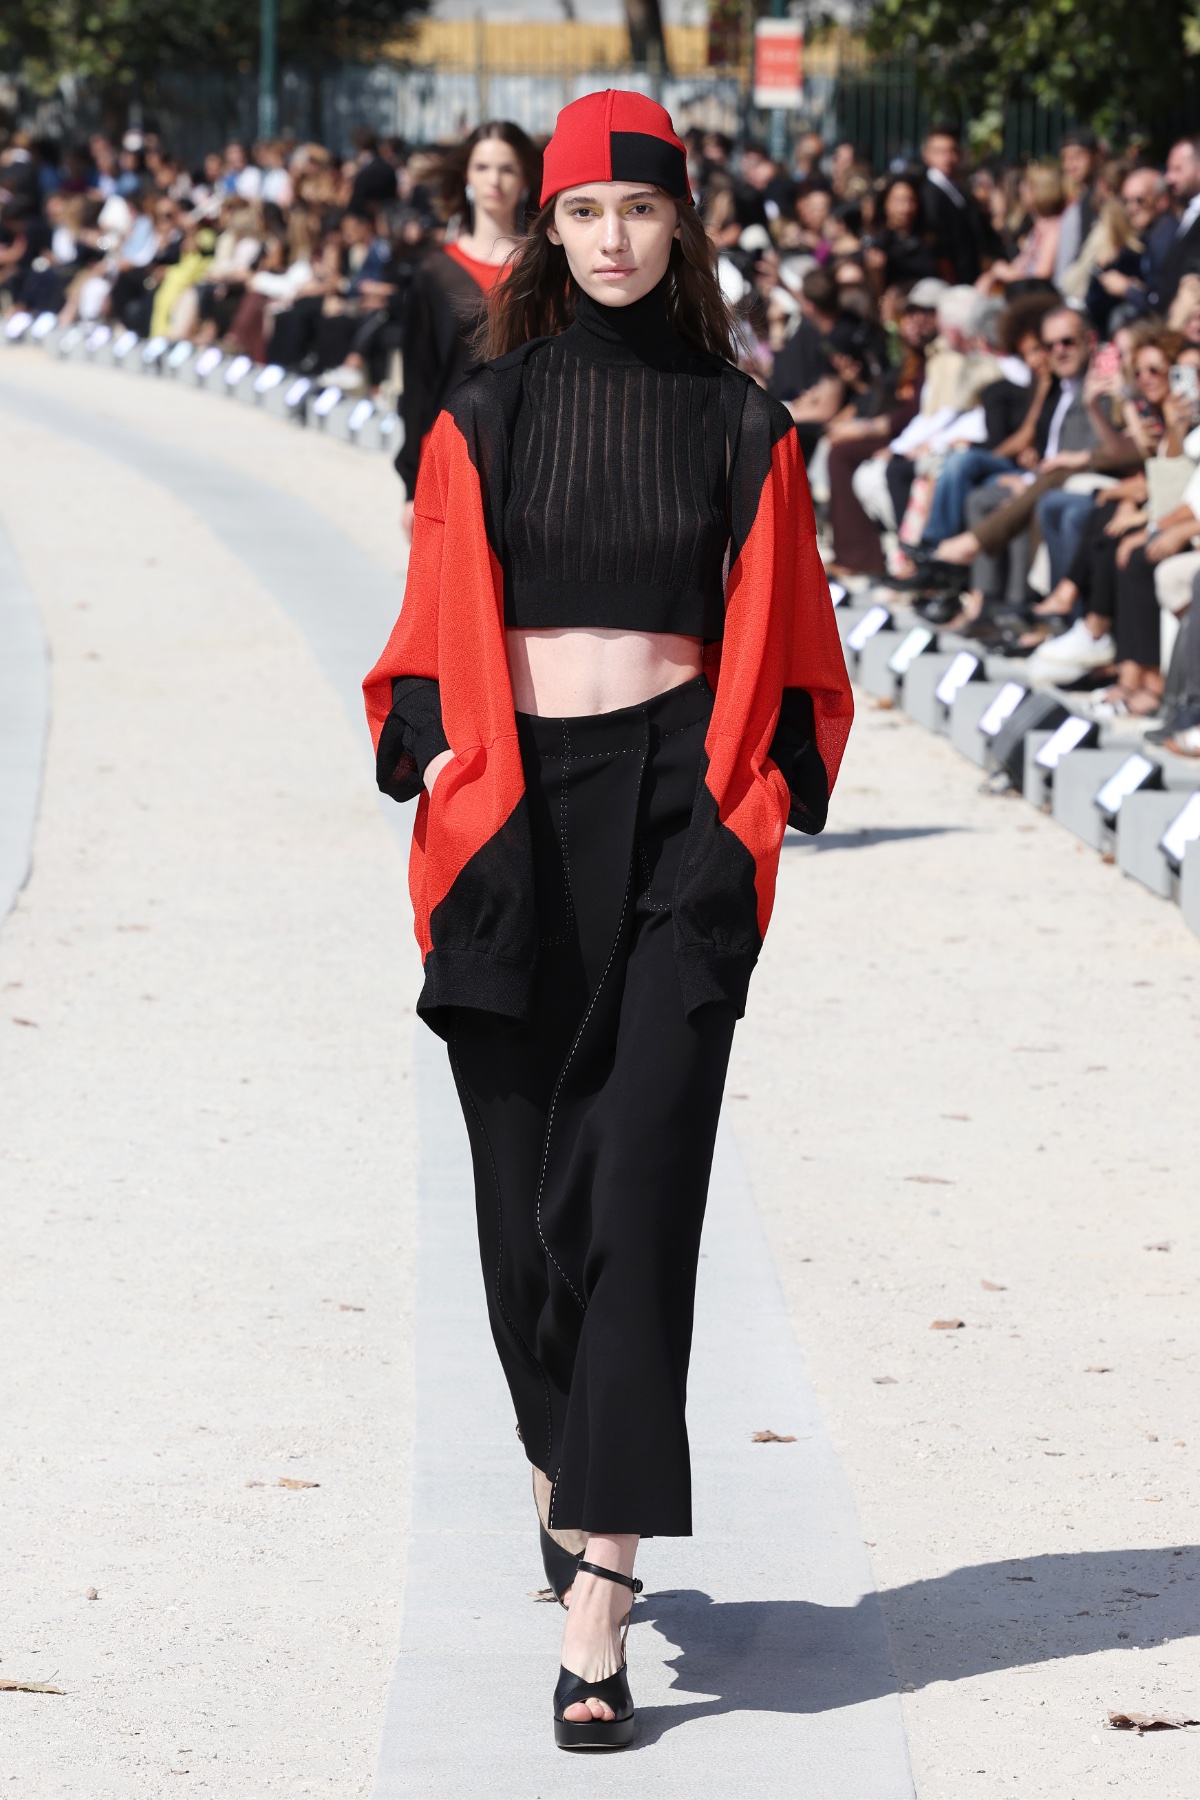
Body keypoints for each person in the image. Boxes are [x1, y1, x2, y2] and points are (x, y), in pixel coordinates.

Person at [362, 88, 852, 1752]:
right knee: (524, 1235)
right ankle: (562, 1461)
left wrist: (740, 823)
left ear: (680, 223)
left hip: (676, 823)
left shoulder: (744, 426)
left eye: (641, 208)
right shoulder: (483, 414)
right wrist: (441, 768)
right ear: (551, 229)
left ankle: (602, 1601)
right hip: (510, 827)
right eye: (585, 210)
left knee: (637, 1201)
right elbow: (424, 646)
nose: (614, 235)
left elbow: (799, 666)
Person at [396, 120, 540, 539]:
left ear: (525, 177)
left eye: (507, 168)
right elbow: (418, 381)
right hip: (451, 450)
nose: (494, 180)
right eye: (483, 167)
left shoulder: (549, 271)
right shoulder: (433, 272)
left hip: (533, 452)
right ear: (466, 176)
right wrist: (411, 484)